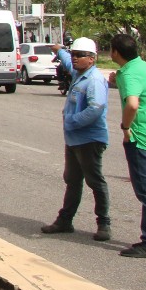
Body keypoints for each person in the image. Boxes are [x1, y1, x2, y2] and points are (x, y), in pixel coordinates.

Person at [39, 37, 111, 242]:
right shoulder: (79, 74)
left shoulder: (94, 80)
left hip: (89, 140)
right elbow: (69, 64)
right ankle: (65, 220)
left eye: (80, 55)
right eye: (74, 55)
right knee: (72, 180)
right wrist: (60, 51)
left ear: (92, 58)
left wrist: (72, 121)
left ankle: (104, 223)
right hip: (74, 140)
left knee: (95, 181)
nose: (75, 59)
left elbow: (96, 109)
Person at [108, 33, 146, 258]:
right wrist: (117, 79)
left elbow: (132, 104)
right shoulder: (141, 67)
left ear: (115, 52)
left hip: (141, 138)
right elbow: (129, 82)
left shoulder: (131, 74)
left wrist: (125, 127)